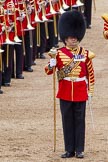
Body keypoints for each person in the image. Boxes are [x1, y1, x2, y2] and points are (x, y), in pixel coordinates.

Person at [45, 10, 95, 158]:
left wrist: (90, 91)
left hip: (80, 91)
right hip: (65, 90)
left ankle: (79, 149)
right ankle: (69, 149)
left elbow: (90, 74)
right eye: (70, 37)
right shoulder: (58, 53)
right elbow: (48, 71)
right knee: (67, 121)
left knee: (80, 121)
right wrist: (52, 64)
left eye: (75, 37)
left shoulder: (85, 54)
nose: (73, 40)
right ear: (65, 38)